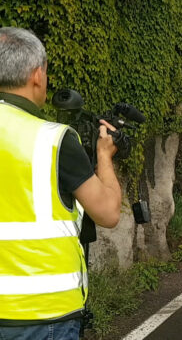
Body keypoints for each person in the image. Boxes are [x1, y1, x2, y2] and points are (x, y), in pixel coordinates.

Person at [0, 27, 122, 339]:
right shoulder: (54, 140)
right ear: (37, 75)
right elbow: (108, 213)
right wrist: (104, 155)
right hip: (43, 315)